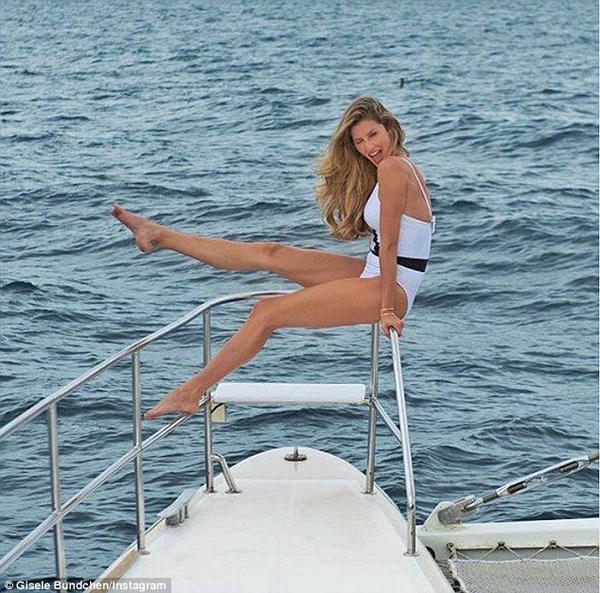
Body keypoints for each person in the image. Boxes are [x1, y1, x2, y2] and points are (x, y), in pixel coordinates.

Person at [111, 96, 434, 420]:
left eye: (373, 135)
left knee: (266, 312)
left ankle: (190, 392)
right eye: (359, 141)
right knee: (270, 253)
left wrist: (387, 310)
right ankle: (159, 235)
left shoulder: (393, 168)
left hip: (392, 286)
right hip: (377, 271)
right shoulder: (398, 165)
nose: (368, 147)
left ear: (389, 127)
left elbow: (391, 244)